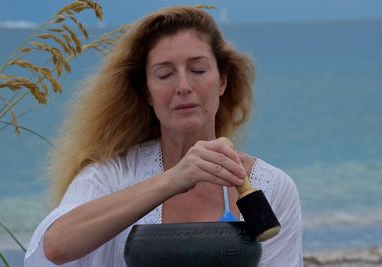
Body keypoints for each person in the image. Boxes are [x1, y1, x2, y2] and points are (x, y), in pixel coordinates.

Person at [24, 6, 303, 267]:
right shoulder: (112, 175)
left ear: (222, 80)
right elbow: (54, 246)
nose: (183, 86)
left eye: (197, 70)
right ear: (147, 92)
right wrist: (172, 179)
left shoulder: (272, 187)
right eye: (165, 74)